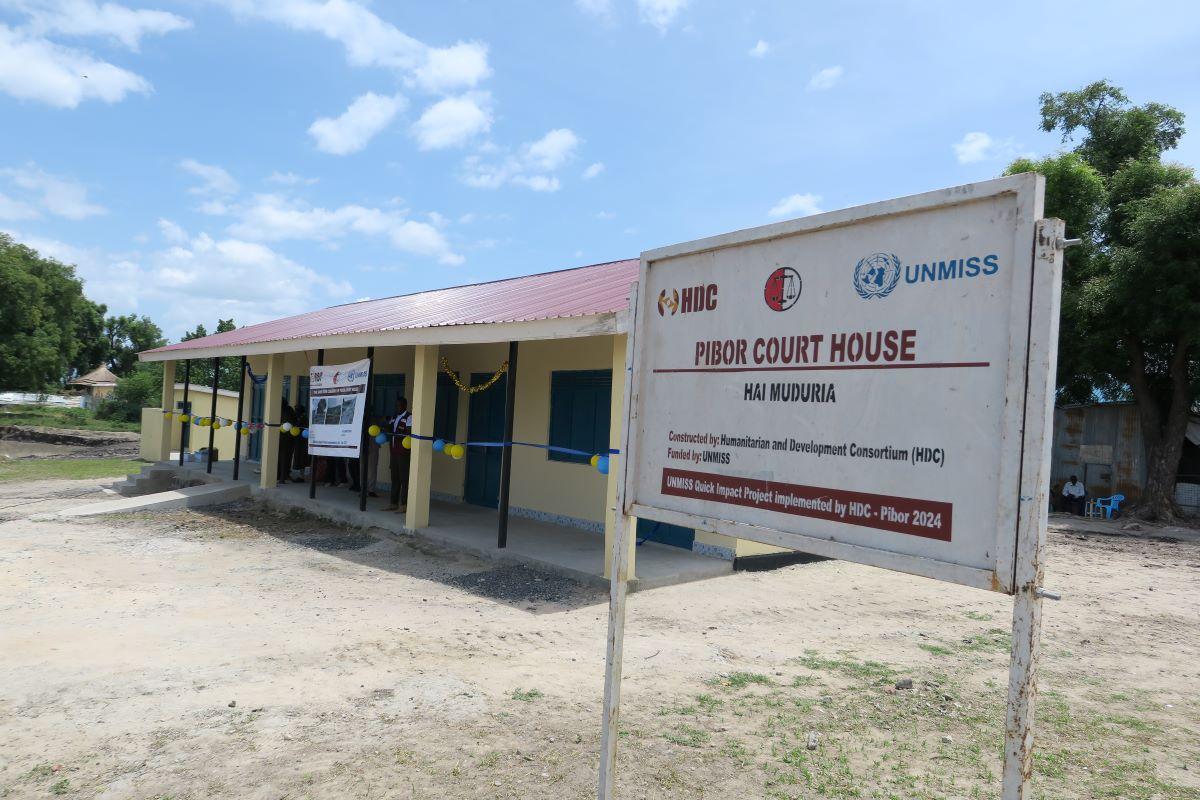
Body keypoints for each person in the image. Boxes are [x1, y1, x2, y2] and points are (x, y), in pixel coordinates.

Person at [385, 397, 412, 512]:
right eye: (396, 405)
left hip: (403, 453)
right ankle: (393, 503)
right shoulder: (394, 417)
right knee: (394, 478)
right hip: (394, 452)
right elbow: (389, 429)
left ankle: (404, 505)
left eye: (399, 405)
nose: (397, 408)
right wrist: (385, 424)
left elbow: (409, 432)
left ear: (405, 406)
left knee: (404, 479)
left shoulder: (409, 417)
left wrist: (396, 433)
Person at [278, 400, 297, 483]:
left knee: (280, 457)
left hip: (279, 437)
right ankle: (284, 476)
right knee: (286, 458)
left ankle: (280, 476)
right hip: (288, 438)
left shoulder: (277, 410)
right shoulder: (289, 410)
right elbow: (293, 421)